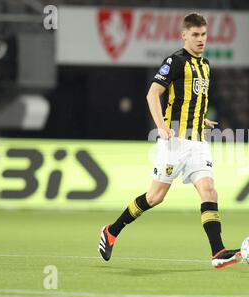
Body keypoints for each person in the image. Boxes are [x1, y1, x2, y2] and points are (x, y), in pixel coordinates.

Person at [98, 12, 241, 269]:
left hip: (198, 141)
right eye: (195, 35)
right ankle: (111, 231)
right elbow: (153, 95)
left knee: (209, 190)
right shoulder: (174, 62)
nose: (200, 39)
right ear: (184, 35)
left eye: (204, 35)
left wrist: (201, 120)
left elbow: (193, 100)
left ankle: (217, 252)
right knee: (155, 197)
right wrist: (162, 127)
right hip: (174, 141)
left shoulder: (205, 65)